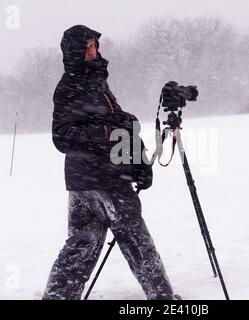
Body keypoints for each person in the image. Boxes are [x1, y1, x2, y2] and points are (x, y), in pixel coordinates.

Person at [42, 25, 176, 300]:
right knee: (136, 240)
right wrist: (104, 133)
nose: (93, 50)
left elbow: (123, 124)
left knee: (83, 244)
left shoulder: (97, 83)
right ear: (74, 52)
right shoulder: (70, 86)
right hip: (99, 177)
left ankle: (58, 296)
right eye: (87, 46)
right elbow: (62, 137)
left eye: (94, 45)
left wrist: (139, 163)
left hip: (94, 177)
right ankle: (162, 299)